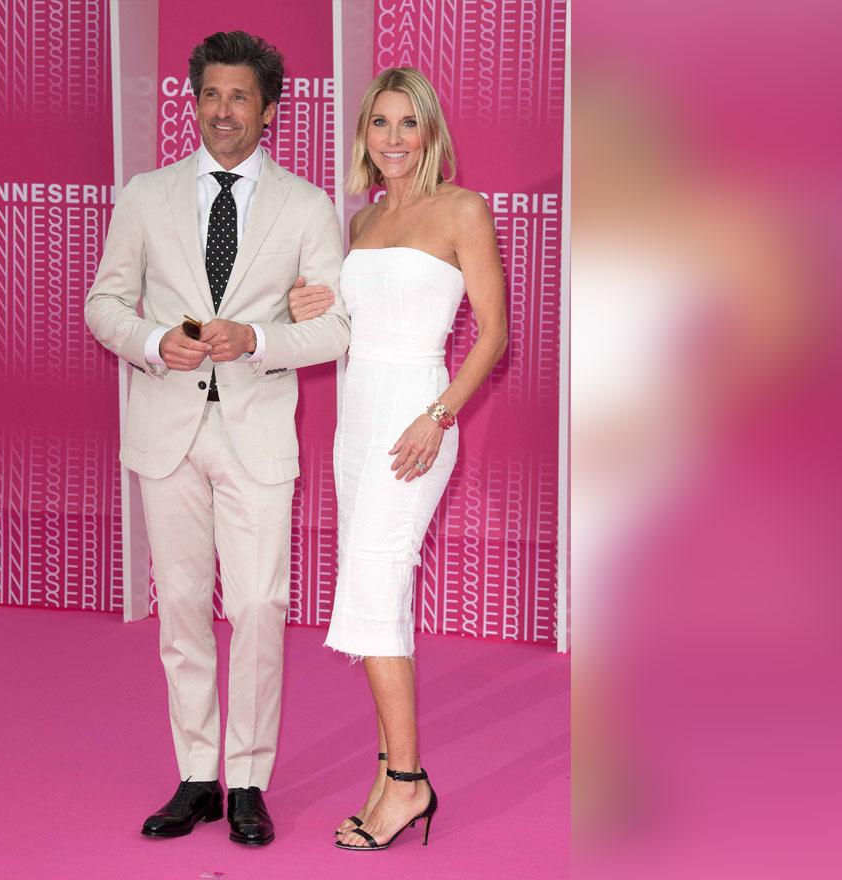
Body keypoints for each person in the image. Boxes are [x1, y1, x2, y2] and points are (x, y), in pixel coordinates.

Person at [84, 30, 349, 847]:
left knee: (261, 604)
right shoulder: (145, 195)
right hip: (166, 427)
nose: (223, 111)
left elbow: (336, 328)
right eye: (210, 94)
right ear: (191, 100)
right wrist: (152, 340)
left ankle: (247, 780)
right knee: (185, 611)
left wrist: (260, 342)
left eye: (240, 97)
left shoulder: (307, 207)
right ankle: (197, 773)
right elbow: (104, 304)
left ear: (269, 109)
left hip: (256, 433)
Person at [288, 66, 508, 851]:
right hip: (357, 422)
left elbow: (493, 334)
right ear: (365, 135)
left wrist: (439, 415)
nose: (392, 138)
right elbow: (353, 325)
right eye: (379, 123)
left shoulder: (463, 209)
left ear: (429, 132)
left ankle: (409, 785)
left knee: (374, 583)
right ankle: (390, 767)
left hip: (418, 415)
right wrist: (311, 306)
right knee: (381, 591)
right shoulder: (363, 223)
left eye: (406, 123)